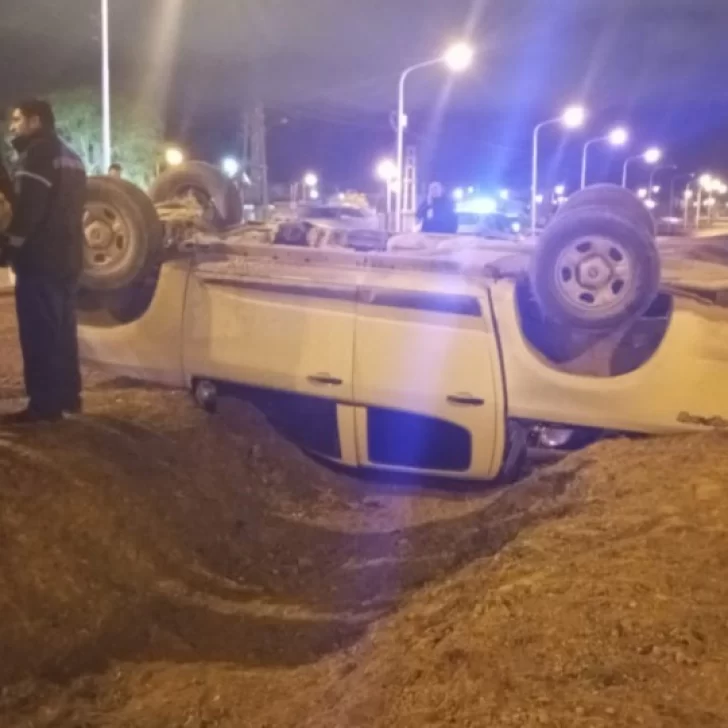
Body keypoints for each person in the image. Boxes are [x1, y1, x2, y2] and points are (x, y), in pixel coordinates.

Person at [0, 99, 87, 424]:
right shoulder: (72, 157)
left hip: (40, 260)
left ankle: (44, 406)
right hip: (69, 258)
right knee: (63, 332)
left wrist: (9, 246)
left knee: (39, 333)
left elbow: (29, 211)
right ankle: (68, 397)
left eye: (17, 119)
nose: (12, 126)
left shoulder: (36, 155)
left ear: (36, 121)